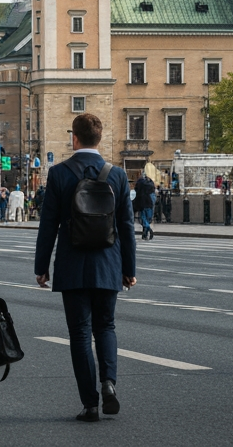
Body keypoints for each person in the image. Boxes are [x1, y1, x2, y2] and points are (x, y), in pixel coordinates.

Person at [35, 113, 137, 423]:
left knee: (79, 334)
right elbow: (127, 226)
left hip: (72, 263)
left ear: (74, 138)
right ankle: (109, 382)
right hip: (108, 262)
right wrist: (128, 268)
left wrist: (42, 266)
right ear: (100, 138)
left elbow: (48, 224)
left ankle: (90, 404)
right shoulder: (117, 175)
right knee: (105, 326)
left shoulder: (60, 173)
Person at [133, 173, 156, 240]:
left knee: (143, 218)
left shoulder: (139, 184)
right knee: (148, 218)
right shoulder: (150, 185)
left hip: (141, 204)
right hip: (149, 203)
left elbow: (136, 192)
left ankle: (147, 228)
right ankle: (145, 233)